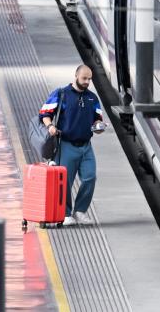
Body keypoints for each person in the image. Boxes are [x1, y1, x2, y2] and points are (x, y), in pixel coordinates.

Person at [39, 65, 105, 226]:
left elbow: (98, 119)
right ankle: (65, 213)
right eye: (84, 78)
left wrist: (99, 126)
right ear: (76, 76)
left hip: (86, 146)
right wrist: (50, 127)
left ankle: (80, 211)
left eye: (90, 79)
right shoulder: (61, 94)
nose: (87, 82)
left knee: (90, 177)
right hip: (66, 145)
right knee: (65, 181)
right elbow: (44, 114)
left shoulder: (93, 98)